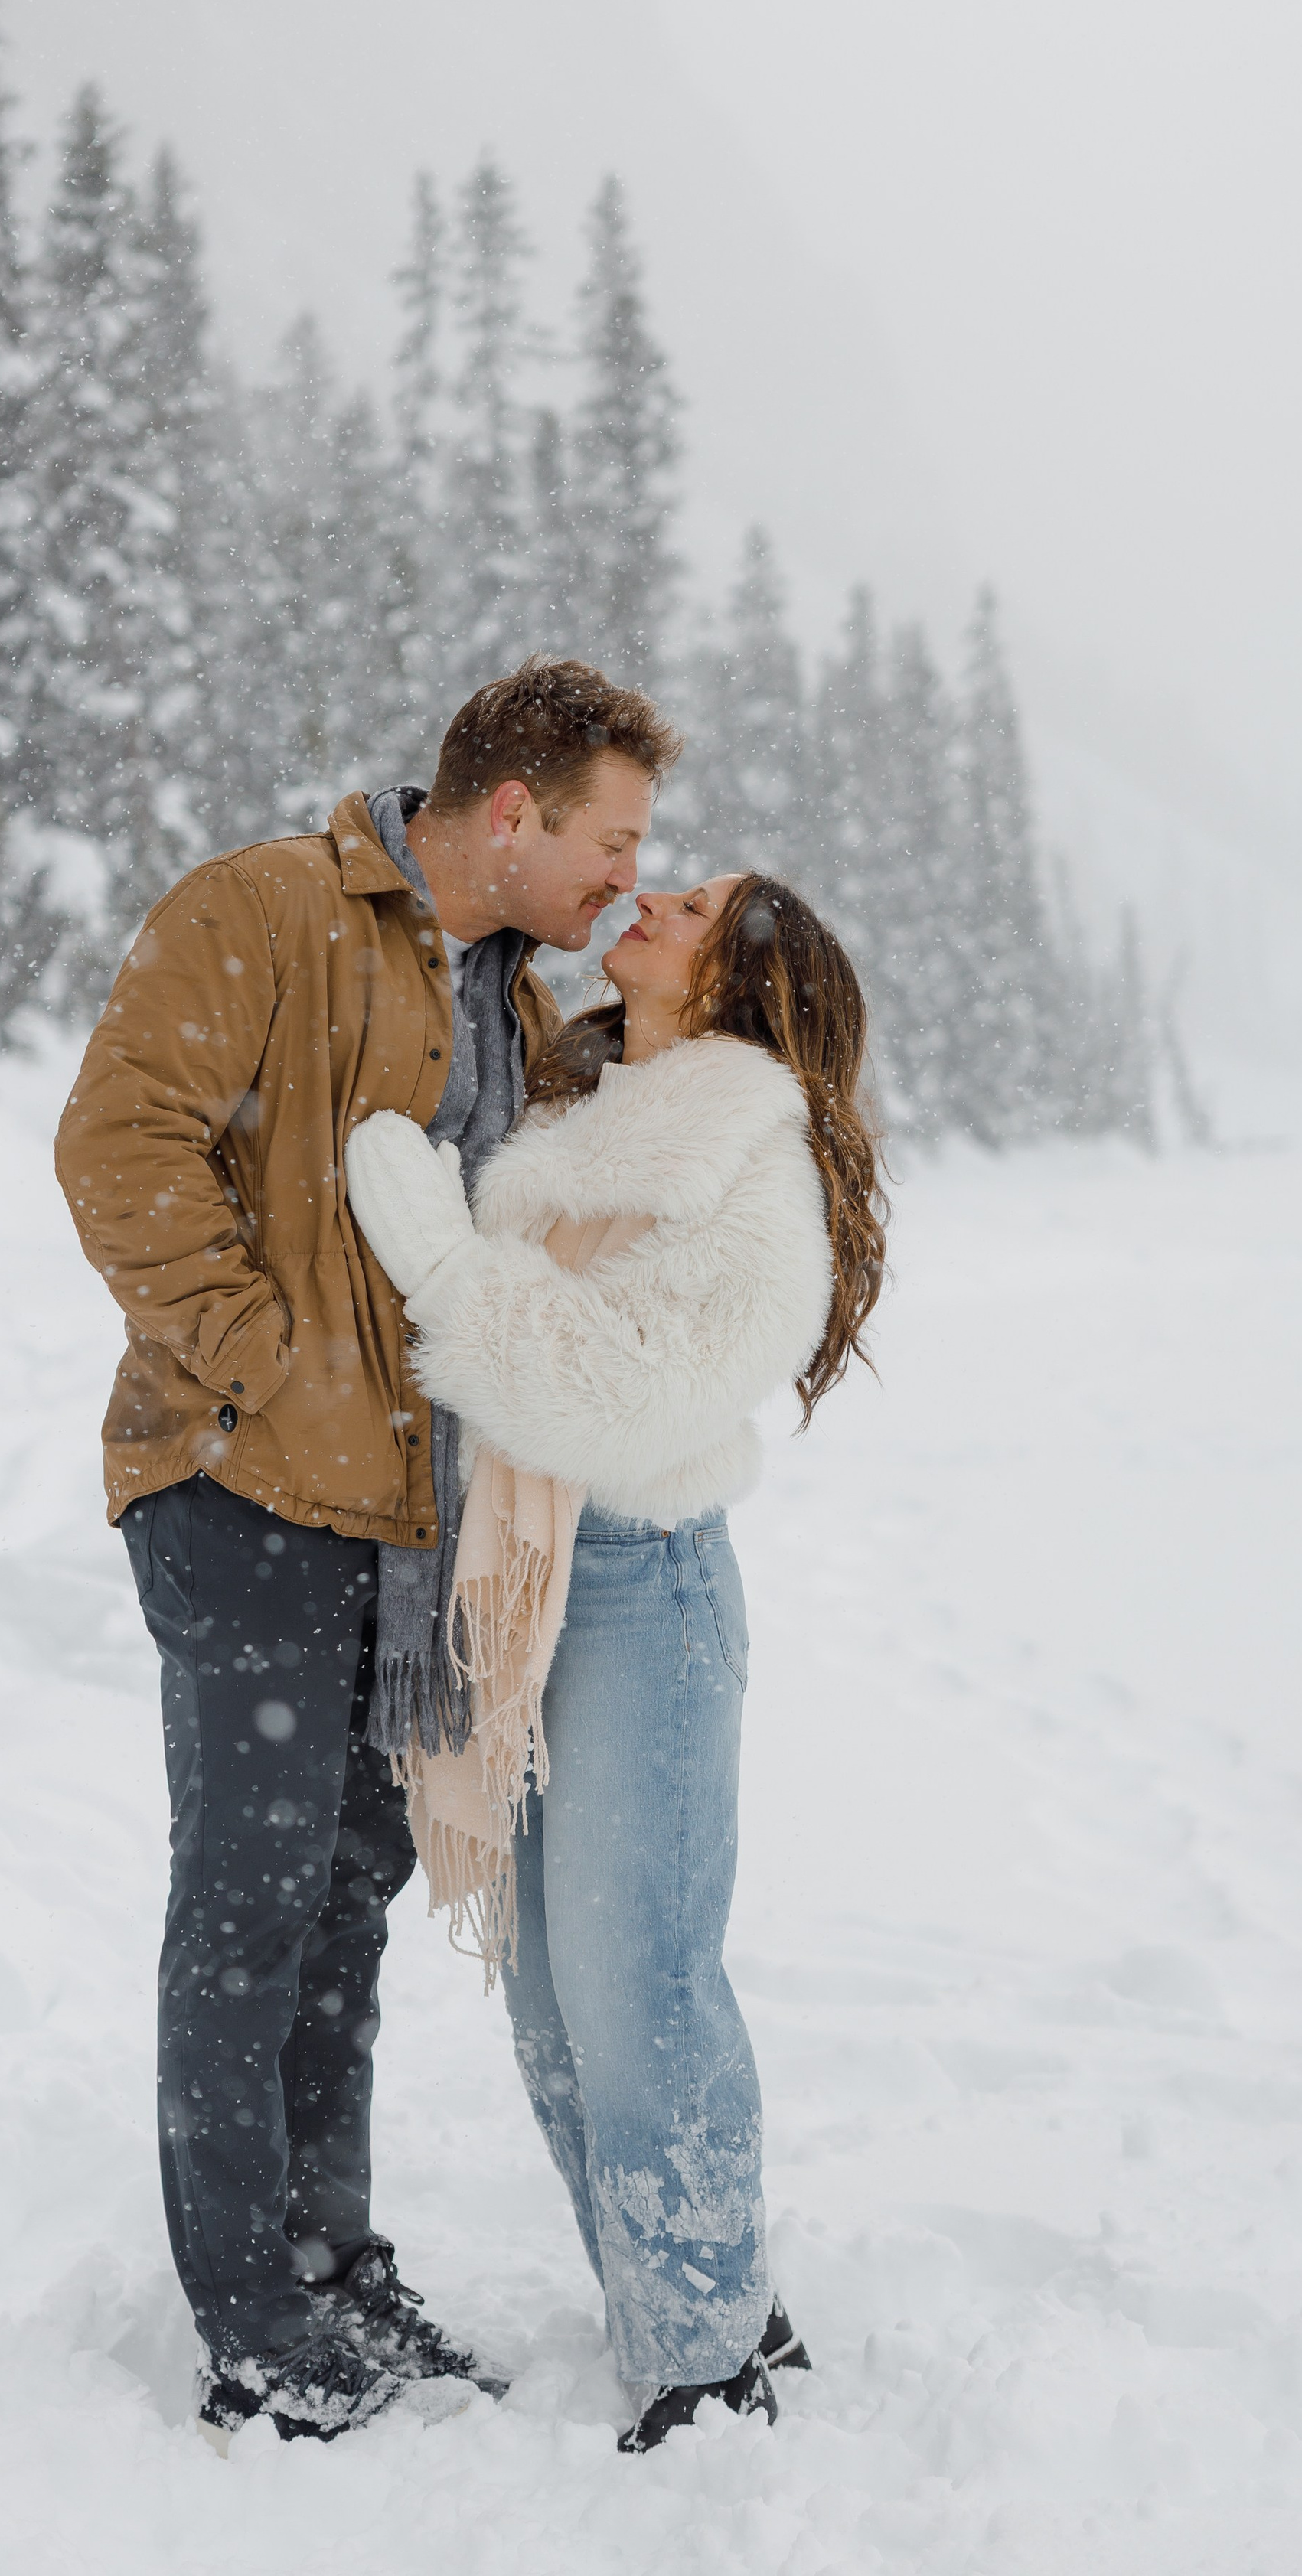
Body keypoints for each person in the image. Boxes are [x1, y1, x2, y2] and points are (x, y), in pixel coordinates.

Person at [54, 657, 683, 2444]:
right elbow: (121, 1144)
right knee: (247, 1913)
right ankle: (253, 2329)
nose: (626, 873)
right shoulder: (262, 908)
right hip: (245, 1500)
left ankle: (332, 2271)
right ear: (509, 814)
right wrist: (264, 1375)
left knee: (340, 1913)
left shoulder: (502, 985)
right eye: (611, 838)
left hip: (402, 1533)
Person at [344, 867, 887, 2450]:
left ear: (736, 977)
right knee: (549, 2007)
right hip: (532, 1589)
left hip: (643, 1588)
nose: (648, 894)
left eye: (695, 900)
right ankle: (685, 2301)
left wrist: (446, 1270)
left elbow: (627, 1392)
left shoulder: (750, 1158)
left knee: (635, 1989)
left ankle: (709, 2358)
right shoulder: (582, 1104)